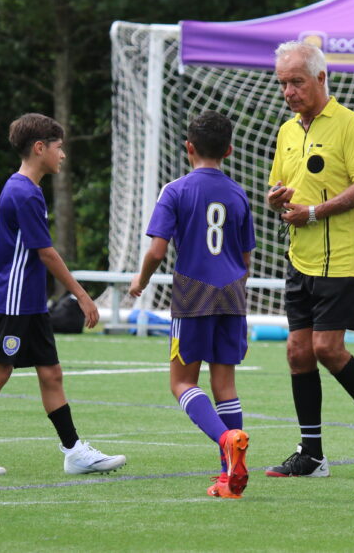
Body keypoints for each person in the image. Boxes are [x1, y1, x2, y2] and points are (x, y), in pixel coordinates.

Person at [265, 41, 354, 477]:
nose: (289, 91)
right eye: (284, 83)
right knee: (297, 352)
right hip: (300, 257)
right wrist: (278, 202)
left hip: (344, 258)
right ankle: (312, 454)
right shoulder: (287, 131)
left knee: (327, 348)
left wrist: (314, 212)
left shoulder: (349, 124)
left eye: (297, 82)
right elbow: (280, 189)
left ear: (321, 79)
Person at [0, 114, 126, 476]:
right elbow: (46, 253)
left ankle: (73, 452)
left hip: (31, 302)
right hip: (14, 300)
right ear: (40, 148)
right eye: (58, 147)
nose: (62, 155)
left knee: (51, 373)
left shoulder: (29, 190)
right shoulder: (22, 192)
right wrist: (83, 296)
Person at [128, 111, 254, 499]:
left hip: (192, 294)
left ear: (189, 148)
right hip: (232, 294)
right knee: (225, 385)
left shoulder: (176, 190)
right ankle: (227, 477)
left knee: (181, 382)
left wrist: (141, 280)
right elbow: (247, 257)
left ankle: (226, 439)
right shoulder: (238, 193)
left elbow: (157, 249)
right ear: (229, 150)